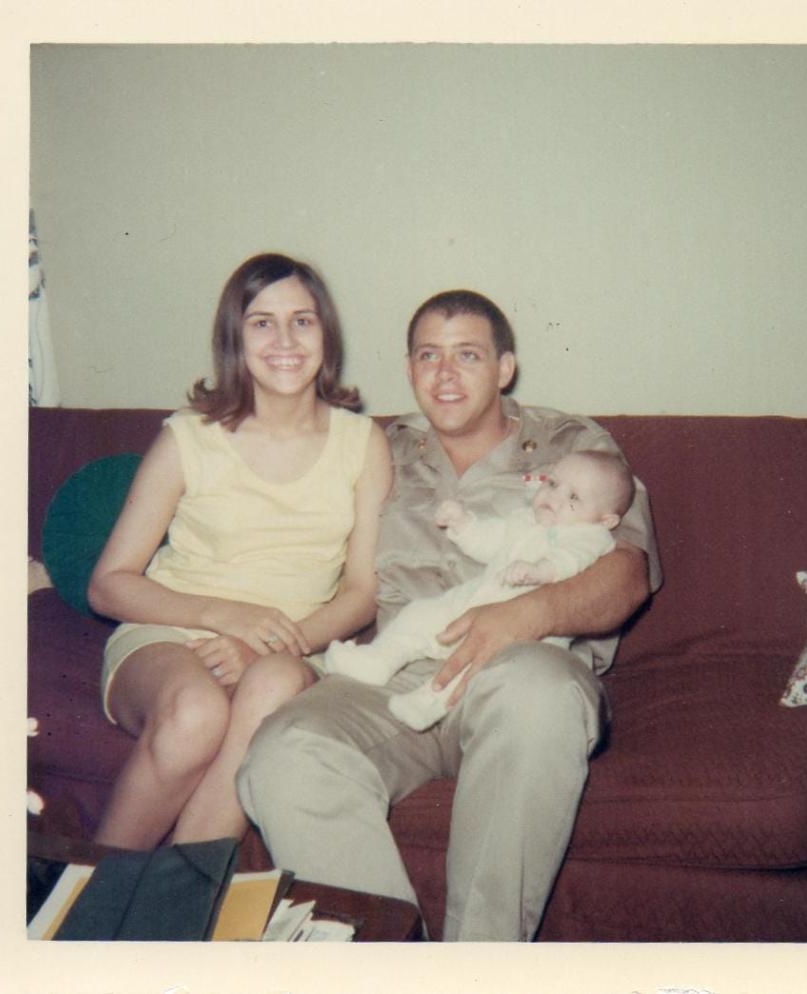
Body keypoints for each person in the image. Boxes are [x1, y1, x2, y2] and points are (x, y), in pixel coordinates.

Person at [237, 289, 662, 941]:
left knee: (537, 693)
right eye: (428, 356)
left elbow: (626, 574)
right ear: (408, 368)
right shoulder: (374, 448)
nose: (445, 374)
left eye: (467, 355)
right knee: (282, 754)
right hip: (399, 677)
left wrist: (527, 613)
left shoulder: (572, 444)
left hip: (521, 670)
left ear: (504, 368)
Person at [87, 252, 392, 850]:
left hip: (292, 646)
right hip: (171, 635)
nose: (285, 339)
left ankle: (175, 907)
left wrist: (268, 640)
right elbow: (109, 584)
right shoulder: (188, 438)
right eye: (262, 322)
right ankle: (91, 898)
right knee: (196, 715)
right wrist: (222, 616)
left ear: (326, 335)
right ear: (234, 337)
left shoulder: (363, 442)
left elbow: (363, 591)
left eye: (302, 321)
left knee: (274, 683)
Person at [321, 449, 635, 731]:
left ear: (606, 520)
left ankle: (428, 703)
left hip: (525, 630)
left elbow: (572, 560)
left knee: (481, 662)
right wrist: (463, 524)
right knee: (420, 614)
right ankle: (379, 659)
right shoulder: (524, 519)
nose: (554, 497)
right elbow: (491, 541)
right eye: (552, 484)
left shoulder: (590, 536)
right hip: (471, 602)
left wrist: (542, 570)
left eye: (574, 498)